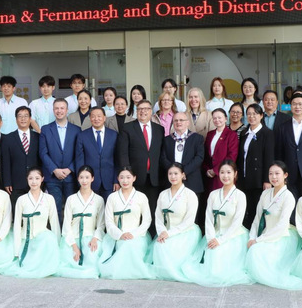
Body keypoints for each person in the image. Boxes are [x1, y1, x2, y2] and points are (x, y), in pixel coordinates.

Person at [182, 160, 251, 287]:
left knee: (219, 256)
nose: (225, 176)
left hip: (233, 235)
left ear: (235, 174)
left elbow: (237, 222)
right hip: (214, 234)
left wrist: (220, 240)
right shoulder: (213, 194)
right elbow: (208, 218)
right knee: (209, 255)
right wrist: (211, 238)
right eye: (222, 172)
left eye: (229, 172)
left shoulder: (240, 195)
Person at [245, 161, 302, 290]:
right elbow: (257, 218)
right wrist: (252, 237)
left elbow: (282, 225)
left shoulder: (288, 196)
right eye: (271, 174)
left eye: (277, 173)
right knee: (252, 249)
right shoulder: (265, 193)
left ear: (285, 175)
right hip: (267, 233)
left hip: (283, 235)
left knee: (258, 252)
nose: (273, 177)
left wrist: (259, 240)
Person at [98, 167, 154, 280]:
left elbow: (147, 220)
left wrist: (133, 234)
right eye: (122, 177)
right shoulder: (112, 197)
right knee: (123, 244)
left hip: (137, 235)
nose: (125, 181)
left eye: (128, 177)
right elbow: (108, 221)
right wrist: (120, 234)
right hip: (116, 234)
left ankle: (132, 271)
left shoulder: (141, 196)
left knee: (130, 245)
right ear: (118, 179)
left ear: (134, 178)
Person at [117, 99, 164, 235]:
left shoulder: (159, 129)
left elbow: (161, 153)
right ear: (136, 111)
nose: (143, 111)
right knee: (136, 209)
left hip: (154, 177)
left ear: (151, 112)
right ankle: (136, 236)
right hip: (135, 177)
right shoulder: (127, 128)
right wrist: (127, 175)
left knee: (153, 209)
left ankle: (152, 236)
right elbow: (123, 153)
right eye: (140, 109)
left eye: (146, 109)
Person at [6, 167, 60, 278]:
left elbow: (54, 222)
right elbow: (17, 225)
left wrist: (57, 244)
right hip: (26, 238)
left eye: (37, 178)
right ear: (27, 179)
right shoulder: (21, 199)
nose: (34, 182)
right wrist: (16, 250)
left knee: (49, 238)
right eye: (31, 178)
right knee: (27, 265)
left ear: (42, 179)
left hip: (43, 239)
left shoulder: (49, 198)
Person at [152, 163, 201, 282]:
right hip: (165, 231)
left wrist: (169, 233)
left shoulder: (190, 194)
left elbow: (189, 220)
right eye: (170, 174)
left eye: (176, 173)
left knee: (172, 249)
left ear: (183, 175)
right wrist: (162, 232)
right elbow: (158, 216)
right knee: (160, 246)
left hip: (185, 231)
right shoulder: (163, 194)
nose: (173, 176)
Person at [57, 165, 105, 279]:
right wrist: (74, 246)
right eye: (81, 177)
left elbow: (101, 224)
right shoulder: (71, 199)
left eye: (87, 177)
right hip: (72, 238)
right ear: (78, 179)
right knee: (69, 263)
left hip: (90, 237)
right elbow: (66, 225)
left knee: (92, 262)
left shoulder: (99, 199)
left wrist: (95, 238)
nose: (84, 181)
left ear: (92, 178)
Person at [160, 112, 205, 228]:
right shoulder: (167, 140)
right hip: (172, 182)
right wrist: (174, 174)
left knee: (192, 216)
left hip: (191, 180)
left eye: (181, 120)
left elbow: (199, 157)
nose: (178, 122)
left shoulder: (197, 138)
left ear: (187, 123)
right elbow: (163, 158)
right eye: (176, 120)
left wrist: (184, 172)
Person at [40, 98, 81, 221]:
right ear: (53, 110)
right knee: (55, 209)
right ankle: (57, 232)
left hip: (71, 176)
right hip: (52, 177)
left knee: (72, 209)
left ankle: (70, 232)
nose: (59, 111)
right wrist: (54, 169)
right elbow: (43, 153)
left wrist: (70, 169)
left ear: (67, 110)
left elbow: (79, 153)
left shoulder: (76, 130)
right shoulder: (46, 129)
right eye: (56, 108)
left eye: (62, 108)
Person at [236, 104, 274, 229]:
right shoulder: (244, 133)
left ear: (261, 115)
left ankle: (257, 234)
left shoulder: (267, 133)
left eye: (255, 114)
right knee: (246, 209)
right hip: (244, 177)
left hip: (258, 179)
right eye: (249, 114)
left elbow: (269, 158)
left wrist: (267, 180)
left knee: (257, 209)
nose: (251, 117)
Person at [1, 106, 41, 212]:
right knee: (17, 212)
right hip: (16, 183)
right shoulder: (8, 138)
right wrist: (7, 182)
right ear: (16, 119)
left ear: (30, 119)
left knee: (35, 211)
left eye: (26, 116)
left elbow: (41, 160)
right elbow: (5, 162)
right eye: (20, 116)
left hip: (35, 182)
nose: (23, 119)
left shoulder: (38, 137)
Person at [75, 107, 119, 201]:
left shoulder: (113, 135)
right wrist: (81, 180)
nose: (96, 119)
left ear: (104, 118)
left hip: (109, 181)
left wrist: (116, 180)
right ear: (90, 118)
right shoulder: (82, 136)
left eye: (99, 116)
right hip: (89, 182)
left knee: (108, 208)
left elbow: (117, 159)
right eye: (93, 116)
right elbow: (79, 160)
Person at [203, 108, 238, 192]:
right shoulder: (210, 134)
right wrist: (207, 170)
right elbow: (205, 154)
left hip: (223, 175)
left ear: (225, 119)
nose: (217, 120)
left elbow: (232, 156)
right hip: (209, 176)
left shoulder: (231, 134)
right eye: (214, 118)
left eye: (219, 117)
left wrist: (216, 170)